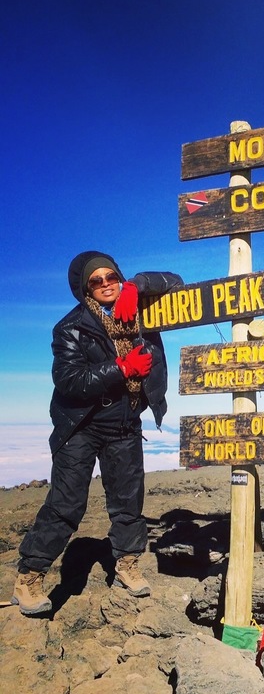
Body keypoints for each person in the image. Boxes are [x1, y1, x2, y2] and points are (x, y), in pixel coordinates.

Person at [12, 251, 183, 615]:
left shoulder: (142, 309)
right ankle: (29, 576)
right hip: (81, 426)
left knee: (128, 500)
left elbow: (176, 282)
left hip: (124, 423)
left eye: (112, 276)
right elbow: (70, 381)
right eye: (96, 280)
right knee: (66, 504)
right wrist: (121, 367)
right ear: (85, 288)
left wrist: (137, 286)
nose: (106, 284)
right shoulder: (71, 327)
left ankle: (127, 564)